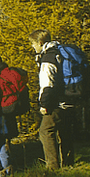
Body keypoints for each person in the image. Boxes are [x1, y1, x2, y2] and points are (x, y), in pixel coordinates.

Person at [30, 29, 71, 169]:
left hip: (56, 102)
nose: (33, 46)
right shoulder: (60, 53)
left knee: (45, 131)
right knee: (65, 130)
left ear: (40, 42)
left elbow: (47, 84)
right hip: (69, 97)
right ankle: (68, 161)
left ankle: (53, 166)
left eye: (33, 43)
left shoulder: (48, 59)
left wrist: (44, 104)